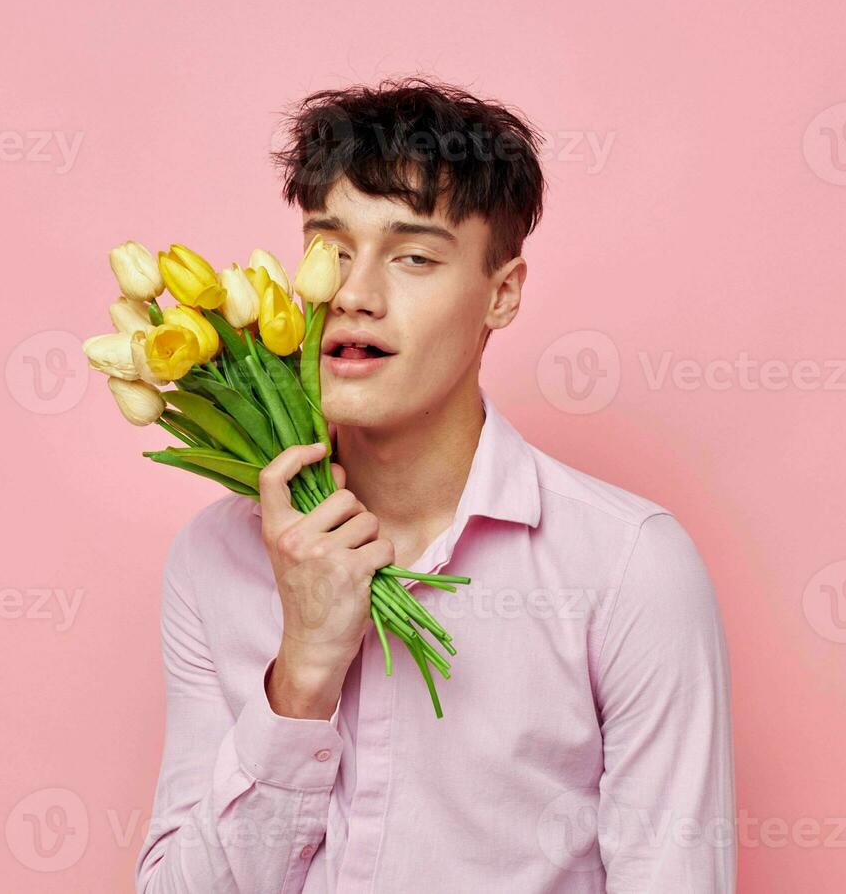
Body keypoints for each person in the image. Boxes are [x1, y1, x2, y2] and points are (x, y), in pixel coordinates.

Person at [135, 77, 736, 893]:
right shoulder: (216, 556)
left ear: (502, 293)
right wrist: (304, 669)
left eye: (413, 257)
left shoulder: (629, 568)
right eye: (330, 249)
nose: (352, 293)